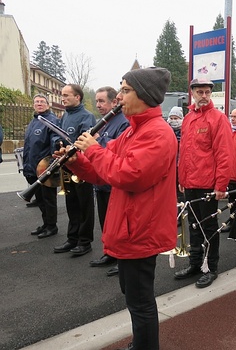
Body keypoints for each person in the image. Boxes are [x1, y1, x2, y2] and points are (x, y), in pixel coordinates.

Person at [63, 67, 177, 350]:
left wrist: (94, 150)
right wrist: (75, 161)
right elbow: (104, 173)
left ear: (145, 95)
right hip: (131, 226)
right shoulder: (131, 133)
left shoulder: (158, 133)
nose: (120, 98)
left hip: (141, 229)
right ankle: (140, 342)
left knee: (140, 301)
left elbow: (131, 175)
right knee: (133, 295)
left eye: (126, 91)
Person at [174, 77, 232, 288]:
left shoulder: (218, 119)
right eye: (200, 92)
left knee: (209, 226)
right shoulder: (188, 118)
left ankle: (211, 267)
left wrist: (221, 185)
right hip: (190, 183)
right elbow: (183, 152)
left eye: (207, 92)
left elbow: (224, 154)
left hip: (208, 183)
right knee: (193, 225)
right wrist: (181, 179)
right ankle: (195, 263)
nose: (204, 96)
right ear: (192, 93)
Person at [88, 87, 129, 276]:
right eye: (97, 101)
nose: (98, 105)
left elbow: (117, 153)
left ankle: (123, 259)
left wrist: (95, 145)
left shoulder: (123, 123)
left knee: (119, 224)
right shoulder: (102, 123)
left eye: (102, 101)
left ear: (114, 102)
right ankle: (110, 253)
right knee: (105, 221)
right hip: (101, 181)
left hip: (114, 182)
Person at [53, 84, 97, 256]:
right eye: (62, 95)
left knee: (84, 205)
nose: (62, 98)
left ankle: (85, 242)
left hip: (82, 166)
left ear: (77, 97)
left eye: (66, 95)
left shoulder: (87, 116)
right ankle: (72, 238)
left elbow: (84, 140)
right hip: (68, 165)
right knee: (71, 203)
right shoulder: (65, 115)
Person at [23, 94, 59, 238]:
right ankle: (45, 224)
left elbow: (54, 144)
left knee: (48, 199)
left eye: (42, 102)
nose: (39, 104)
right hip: (32, 168)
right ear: (33, 105)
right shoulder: (33, 121)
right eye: (36, 102)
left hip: (44, 168)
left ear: (48, 105)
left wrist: (51, 167)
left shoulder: (52, 121)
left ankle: (52, 226)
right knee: (40, 200)